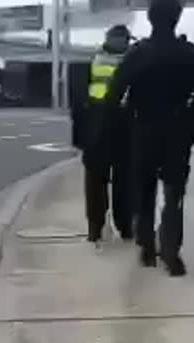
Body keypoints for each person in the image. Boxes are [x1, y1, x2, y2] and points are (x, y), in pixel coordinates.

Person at [106, 0, 194, 276]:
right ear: (177, 18)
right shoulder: (190, 54)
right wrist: (190, 116)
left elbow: (114, 94)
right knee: (174, 193)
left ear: (150, 19)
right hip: (177, 130)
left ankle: (147, 246)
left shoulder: (138, 54)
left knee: (144, 189)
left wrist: (126, 118)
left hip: (144, 128)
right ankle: (172, 252)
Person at [78, 24, 135, 245]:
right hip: (113, 129)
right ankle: (115, 227)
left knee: (107, 182)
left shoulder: (96, 60)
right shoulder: (132, 60)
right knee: (117, 182)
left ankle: (105, 227)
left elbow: (80, 103)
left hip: (108, 129)